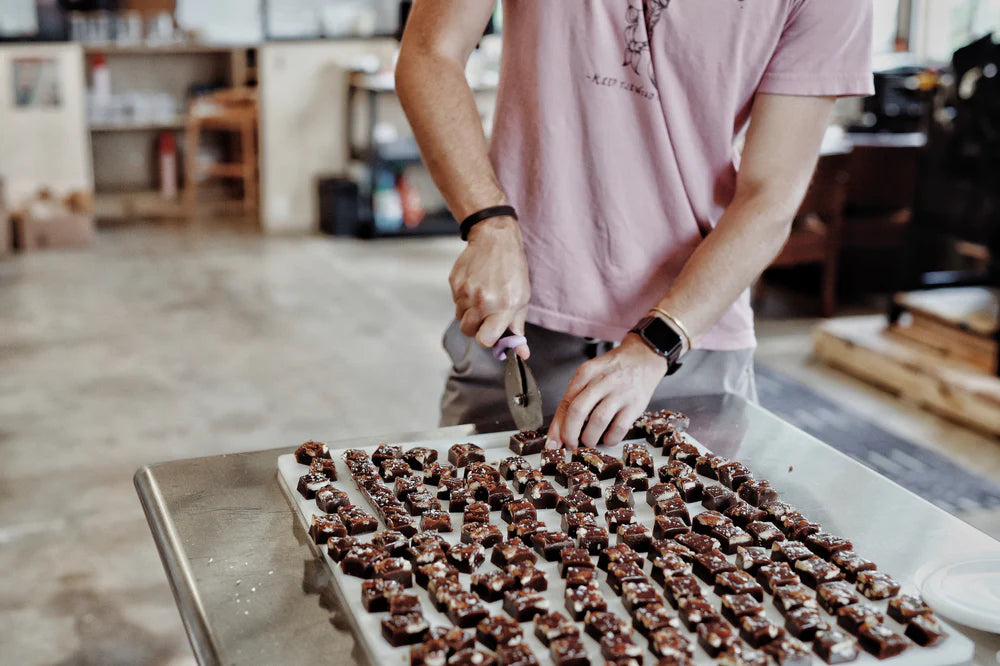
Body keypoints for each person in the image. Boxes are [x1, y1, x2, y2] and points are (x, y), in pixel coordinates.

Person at [395, 1, 873, 450]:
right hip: (517, 327)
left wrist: (658, 342)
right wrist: (488, 222)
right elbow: (430, 52)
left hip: (689, 335)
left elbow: (770, 196)